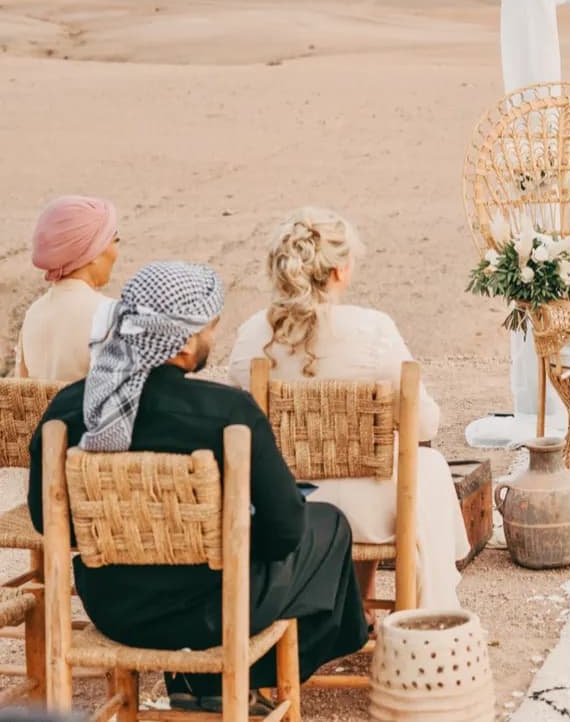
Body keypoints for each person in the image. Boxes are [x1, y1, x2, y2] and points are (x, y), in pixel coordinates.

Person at [28, 261, 369, 711]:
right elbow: (284, 531)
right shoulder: (228, 412)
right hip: (216, 614)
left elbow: (47, 520)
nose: (212, 336)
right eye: (210, 326)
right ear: (185, 341)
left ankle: (198, 684)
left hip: (114, 609)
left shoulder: (70, 408)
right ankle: (240, 676)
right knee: (328, 524)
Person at [226, 208, 471, 609]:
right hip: (373, 512)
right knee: (423, 466)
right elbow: (425, 422)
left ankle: (351, 603)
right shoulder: (372, 329)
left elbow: (236, 422)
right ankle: (421, 616)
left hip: (284, 503)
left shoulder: (253, 335)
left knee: (374, 470)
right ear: (340, 270)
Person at [15, 196, 119, 381]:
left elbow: (21, 393)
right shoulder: (109, 315)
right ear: (93, 252)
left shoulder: (34, 313)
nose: (116, 253)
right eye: (114, 240)